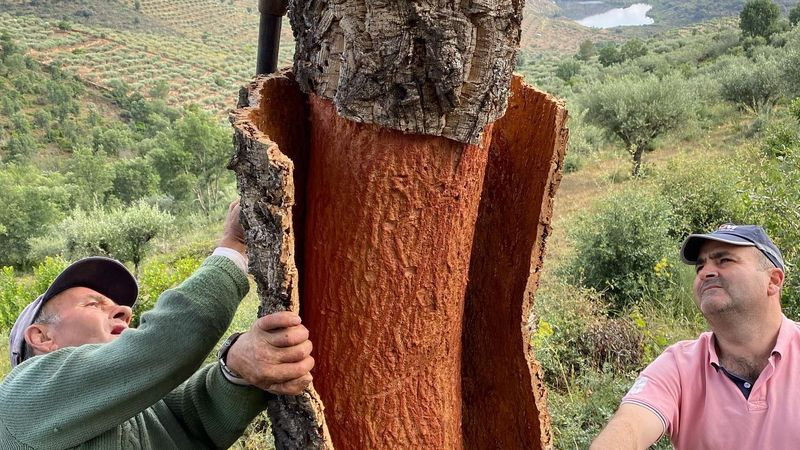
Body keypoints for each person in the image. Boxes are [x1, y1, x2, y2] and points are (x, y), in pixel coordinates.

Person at [0, 200, 315, 449]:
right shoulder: (18, 402)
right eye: (93, 303)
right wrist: (234, 248)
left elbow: (193, 424)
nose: (124, 310)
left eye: (119, 306)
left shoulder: (133, 405)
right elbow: (160, 346)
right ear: (42, 337)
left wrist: (236, 368)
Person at [591, 224, 800, 449]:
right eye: (700, 266)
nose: (705, 272)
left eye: (724, 260)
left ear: (773, 281)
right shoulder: (678, 365)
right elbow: (630, 426)